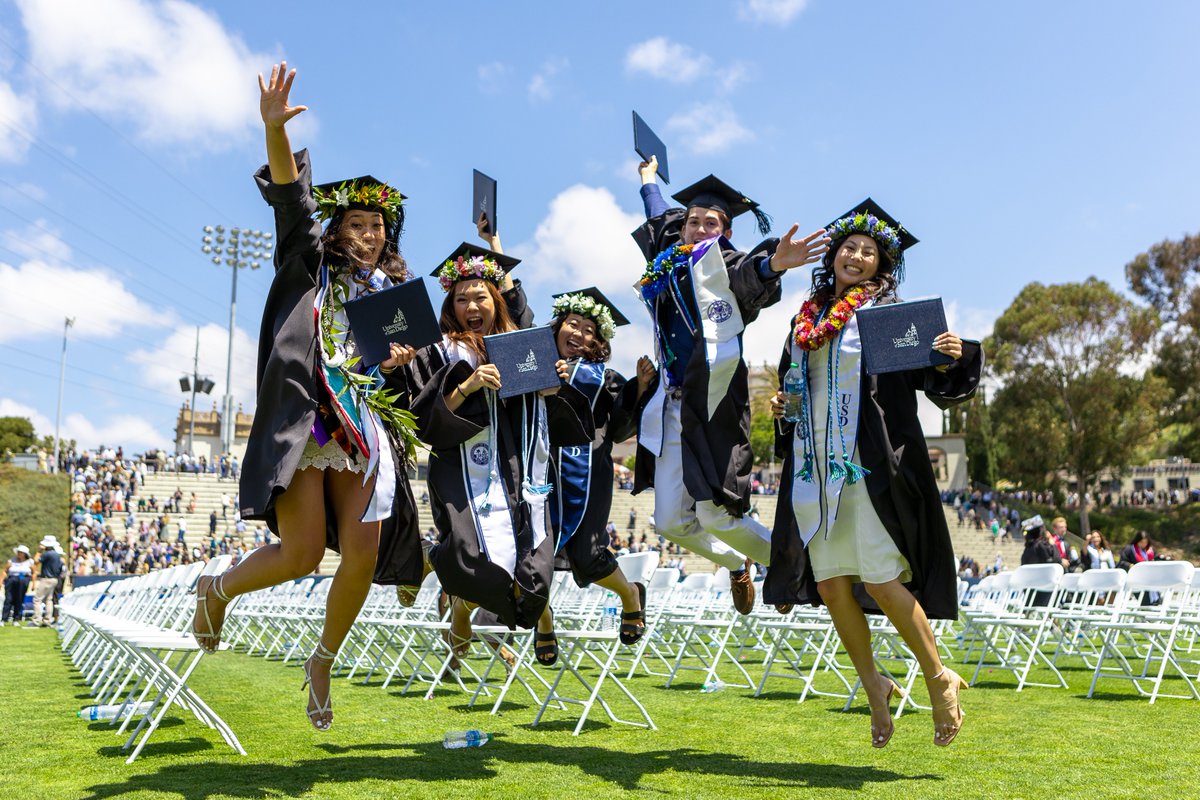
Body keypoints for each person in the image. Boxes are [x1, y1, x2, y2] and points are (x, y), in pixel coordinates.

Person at [190, 62, 424, 732]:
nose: (369, 233)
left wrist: (399, 360)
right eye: (357, 222)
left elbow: (399, 372)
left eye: (379, 226)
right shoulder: (309, 264)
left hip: (363, 429)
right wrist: (272, 130)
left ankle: (322, 660)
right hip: (308, 418)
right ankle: (218, 587)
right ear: (336, 227)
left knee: (362, 554)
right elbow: (291, 198)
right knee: (299, 554)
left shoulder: (393, 297)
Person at [763, 199, 982, 748]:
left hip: (869, 467)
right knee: (833, 583)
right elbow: (797, 384)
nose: (856, 256)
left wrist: (951, 355)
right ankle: (874, 686)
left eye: (869, 252)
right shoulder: (804, 319)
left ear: (881, 268)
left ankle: (938, 678)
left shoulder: (888, 318)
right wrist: (783, 410)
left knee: (884, 580)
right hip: (816, 471)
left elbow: (935, 376)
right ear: (833, 255)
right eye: (849, 247)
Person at [630, 157, 827, 614]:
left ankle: (798, 568)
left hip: (716, 404)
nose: (699, 229)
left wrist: (774, 264)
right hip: (671, 404)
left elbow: (748, 275)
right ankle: (739, 564)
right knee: (670, 522)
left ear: (726, 232)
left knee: (715, 512)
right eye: (693, 221)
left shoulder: (725, 266)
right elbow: (658, 215)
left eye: (711, 223)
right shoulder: (668, 255)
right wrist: (646, 179)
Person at [401, 241, 592, 655]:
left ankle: (463, 603)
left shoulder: (518, 344)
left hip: (519, 470)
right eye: (461, 298)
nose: (471, 304)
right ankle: (437, 561)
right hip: (461, 470)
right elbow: (423, 416)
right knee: (475, 562)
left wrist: (553, 381)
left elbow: (549, 400)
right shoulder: (439, 350)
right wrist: (468, 384)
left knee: (534, 584)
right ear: (450, 306)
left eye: (480, 296)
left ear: (496, 302)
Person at [536, 287, 655, 663]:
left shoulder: (606, 379)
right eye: (573, 324)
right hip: (537, 472)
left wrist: (639, 389)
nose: (580, 333)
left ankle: (630, 594)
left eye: (589, 329)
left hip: (590, 477)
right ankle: (543, 621)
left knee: (588, 557)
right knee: (533, 557)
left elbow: (619, 431)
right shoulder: (533, 365)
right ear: (556, 328)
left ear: (598, 341)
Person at [31, 536, 65, 627]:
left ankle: (36, 620)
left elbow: (35, 561)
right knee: (48, 600)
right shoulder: (57, 555)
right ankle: (47, 620)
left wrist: (39, 551)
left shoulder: (47, 554)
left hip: (46, 578)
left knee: (37, 599)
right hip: (54, 579)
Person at [2, 545, 34, 625]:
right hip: (12, 579)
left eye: (21, 553)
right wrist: (1, 580)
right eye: (18, 552)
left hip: (23, 580)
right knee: (8, 599)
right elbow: (5, 571)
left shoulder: (29, 562)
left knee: (19, 599)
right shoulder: (11, 561)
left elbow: (34, 573)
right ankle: (4, 619)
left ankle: (16, 619)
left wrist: (33, 583)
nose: (19, 554)